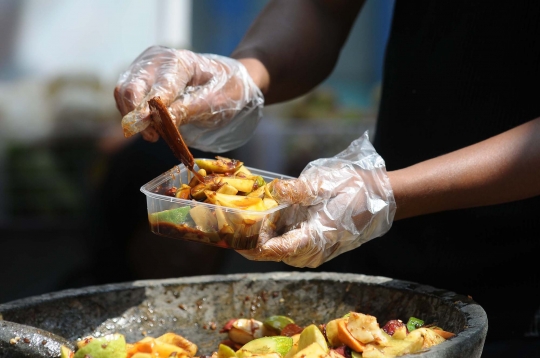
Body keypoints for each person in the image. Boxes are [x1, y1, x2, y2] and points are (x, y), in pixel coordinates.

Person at [114, 1, 540, 355]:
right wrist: (246, 73)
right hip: (387, 258)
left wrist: (388, 193)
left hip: (523, 278)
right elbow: (321, 8)